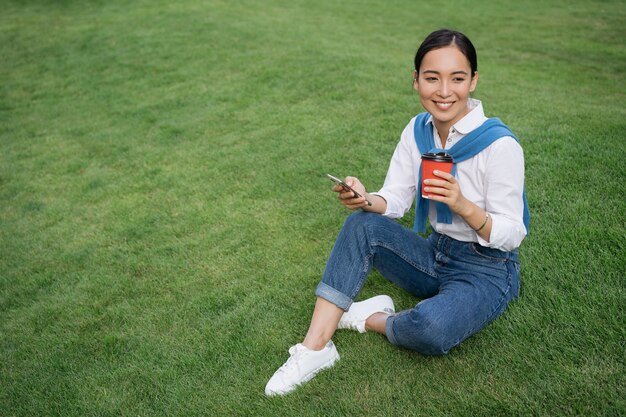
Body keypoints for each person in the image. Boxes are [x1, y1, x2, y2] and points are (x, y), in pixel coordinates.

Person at [265, 28, 529, 396]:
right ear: (416, 80)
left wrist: (462, 205)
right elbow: (395, 199)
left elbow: (513, 233)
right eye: (431, 77)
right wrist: (363, 198)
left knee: (431, 329)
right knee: (362, 225)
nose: (444, 91)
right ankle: (314, 350)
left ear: (473, 81)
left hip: (487, 270)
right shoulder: (418, 130)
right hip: (437, 254)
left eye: (457, 78)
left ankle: (369, 317)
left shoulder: (499, 146)